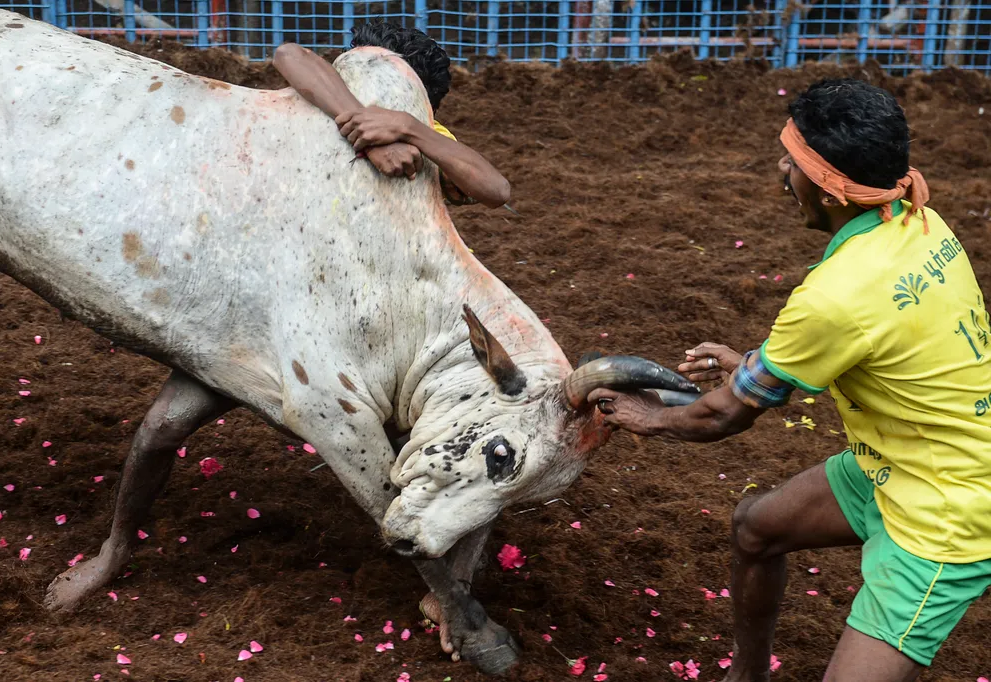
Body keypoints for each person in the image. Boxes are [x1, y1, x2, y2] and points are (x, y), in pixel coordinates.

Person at [590, 79, 991, 682]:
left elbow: (722, 415)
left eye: (794, 159)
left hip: (946, 511)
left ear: (830, 190)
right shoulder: (919, 221)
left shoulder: (837, 295)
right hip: (900, 462)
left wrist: (650, 418)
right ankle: (746, 677)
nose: (783, 168)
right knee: (756, 528)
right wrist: (759, 364)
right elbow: (879, 340)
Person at [272, 22, 510, 208]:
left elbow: (496, 191)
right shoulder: (327, 99)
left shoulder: (429, 134)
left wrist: (407, 128)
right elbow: (289, 54)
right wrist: (368, 135)